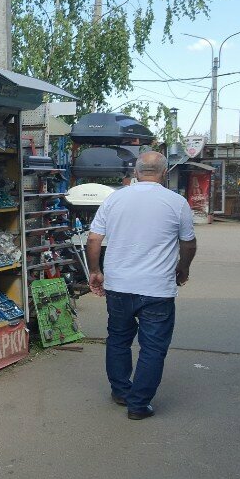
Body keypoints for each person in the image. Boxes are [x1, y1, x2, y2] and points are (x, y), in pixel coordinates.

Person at [85, 151, 196, 420]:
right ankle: (138, 404)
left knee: (118, 339)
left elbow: (93, 239)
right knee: (153, 347)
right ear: (165, 173)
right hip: (157, 289)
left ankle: (121, 392)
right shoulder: (177, 202)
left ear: (136, 172)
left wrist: (95, 271)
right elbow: (188, 243)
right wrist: (183, 268)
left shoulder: (114, 199)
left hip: (119, 286)